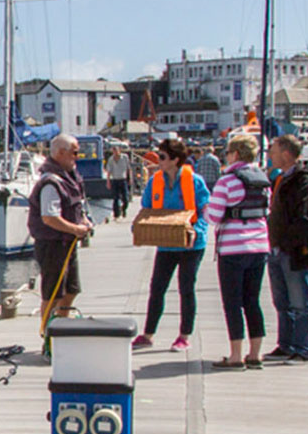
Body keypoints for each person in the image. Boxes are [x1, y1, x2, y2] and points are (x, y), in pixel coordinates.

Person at [197, 133, 271, 369]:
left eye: (227, 153)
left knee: (232, 302)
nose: (225, 157)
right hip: (259, 246)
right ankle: (255, 353)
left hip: (233, 249)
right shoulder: (263, 181)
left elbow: (214, 216)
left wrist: (205, 208)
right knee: (252, 300)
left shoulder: (227, 181)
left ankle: (236, 355)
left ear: (236, 154)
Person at [131, 138, 210, 352]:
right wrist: (138, 226)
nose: (158, 160)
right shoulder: (154, 181)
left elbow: (205, 212)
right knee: (157, 287)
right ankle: (148, 334)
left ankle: (184, 335)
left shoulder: (195, 181)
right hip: (166, 243)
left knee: (186, 288)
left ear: (175, 160)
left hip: (191, 244)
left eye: (163, 157)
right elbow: (146, 208)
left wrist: (198, 231)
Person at [264, 135, 308, 363]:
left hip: (294, 251)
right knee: (282, 302)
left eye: (274, 151)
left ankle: (303, 348)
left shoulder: (304, 183)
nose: (270, 155)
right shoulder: (280, 179)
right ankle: (285, 344)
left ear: (287, 154)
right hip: (277, 248)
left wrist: (286, 243)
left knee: (300, 301)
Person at [30, 133, 94, 331]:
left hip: (67, 243)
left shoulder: (70, 178)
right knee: (52, 295)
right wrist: (76, 229)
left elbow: (75, 207)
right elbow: (49, 218)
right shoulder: (51, 182)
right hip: (52, 244)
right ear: (60, 153)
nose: (77, 156)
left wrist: (83, 222)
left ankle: (62, 328)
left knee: (71, 290)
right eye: (74, 153)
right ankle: (47, 335)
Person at [105, 147, 131, 219]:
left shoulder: (125, 157)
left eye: (116, 151)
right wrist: (108, 181)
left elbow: (128, 169)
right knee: (115, 198)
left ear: (119, 151)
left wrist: (130, 178)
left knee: (125, 198)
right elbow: (109, 171)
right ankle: (116, 214)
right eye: (114, 152)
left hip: (123, 179)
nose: (115, 153)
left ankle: (123, 209)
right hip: (115, 180)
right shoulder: (111, 159)